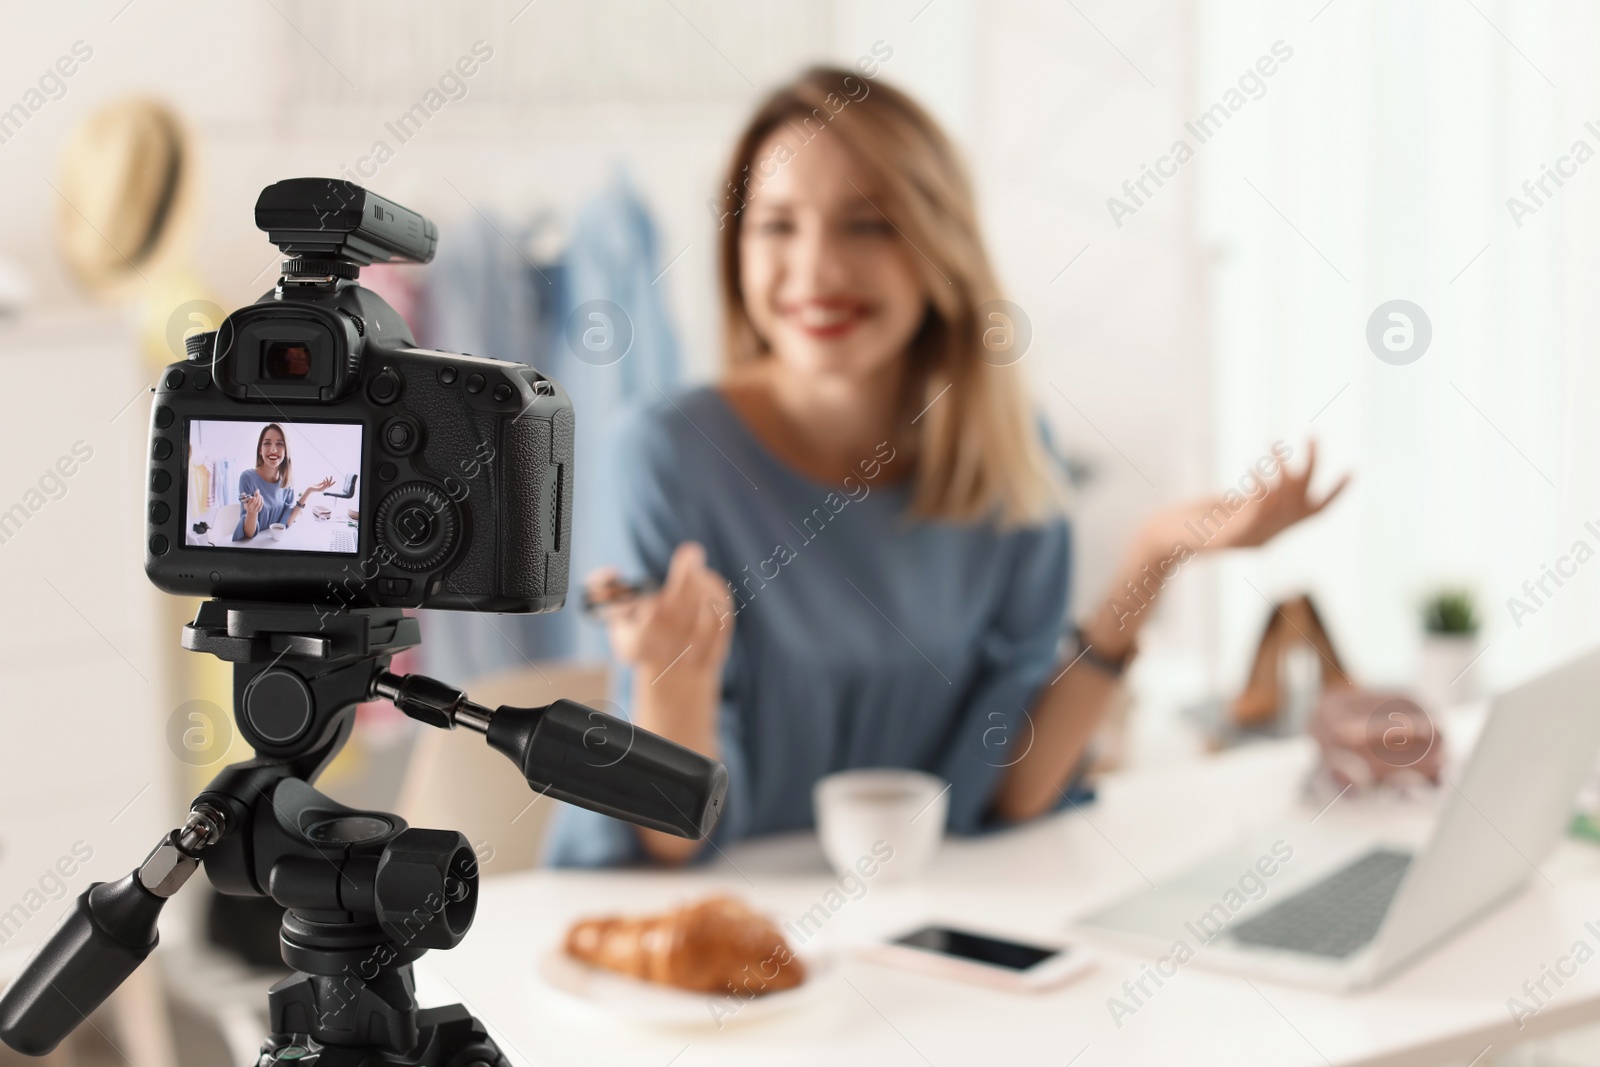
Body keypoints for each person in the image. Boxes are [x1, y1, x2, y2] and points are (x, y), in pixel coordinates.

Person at [547, 68, 1347, 867]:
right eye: (777, 225)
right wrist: (671, 678)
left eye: (868, 224)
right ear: (735, 249)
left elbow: (1011, 789)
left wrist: (1154, 558)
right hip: (698, 933)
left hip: (917, 922)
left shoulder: (1006, 454)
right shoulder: (666, 454)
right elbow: (670, 843)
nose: (817, 269)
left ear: (940, 247)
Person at [232, 423, 334, 541]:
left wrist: (308, 492)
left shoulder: (287, 484)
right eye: (267, 443)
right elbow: (248, 534)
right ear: (260, 450)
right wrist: (252, 511)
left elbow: (287, 521)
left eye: (280, 444)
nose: (273, 449)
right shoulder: (247, 478)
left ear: (286, 451)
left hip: (272, 546)